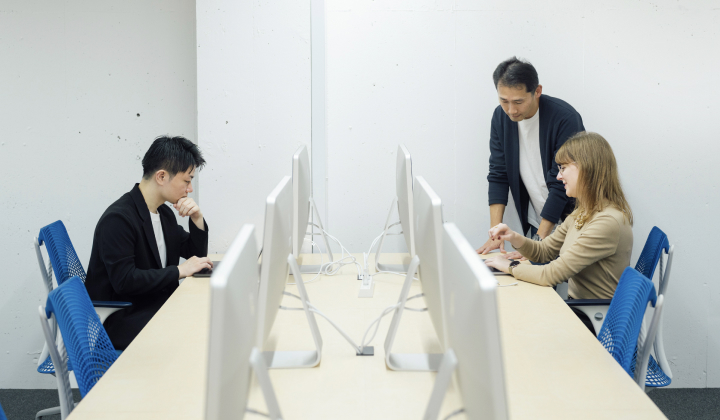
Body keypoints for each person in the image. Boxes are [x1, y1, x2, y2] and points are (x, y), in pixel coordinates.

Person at [483, 132, 633, 333]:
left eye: (563, 168)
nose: (558, 176)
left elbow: (550, 274)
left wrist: (509, 266)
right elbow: (545, 251)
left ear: (586, 168)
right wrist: (514, 237)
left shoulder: (607, 222)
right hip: (583, 311)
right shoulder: (584, 211)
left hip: (597, 321)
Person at [85, 136, 213, 350]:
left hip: (152, 305)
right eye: (187, 181)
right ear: (161, 176)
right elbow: (125, 280)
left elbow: (195, 256)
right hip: (124, 317)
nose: (189, 189)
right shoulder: (118, 219)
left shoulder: (163, 213)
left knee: (207, 315)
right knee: (199, 329)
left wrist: (197, 218)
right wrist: (179, 271)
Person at [477, 57, 585, 257]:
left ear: (537, 91)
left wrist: (538, 243)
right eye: (504, 101)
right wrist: (495, 234)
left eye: (518, 102)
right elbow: (498, 175)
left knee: (562, 275)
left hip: (574, 219)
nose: (511, 110)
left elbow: (560, 183)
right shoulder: (501, 118)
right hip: (538, 218)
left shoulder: (565, 118)